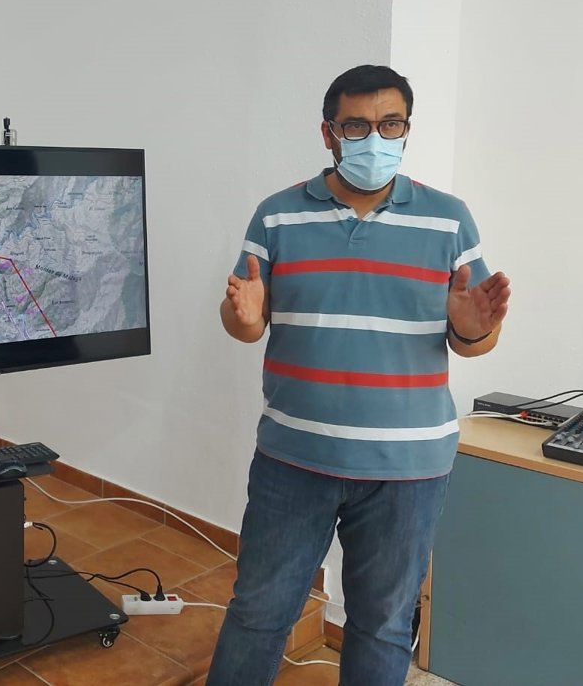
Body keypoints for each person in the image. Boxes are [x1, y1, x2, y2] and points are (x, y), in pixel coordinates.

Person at [207, 65, 510, 686]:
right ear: (329, 133)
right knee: (259, 613)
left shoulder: (450, 220)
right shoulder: (277, 216)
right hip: (294, 459)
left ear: (407, 129)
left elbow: (475, 340)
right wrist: (243, 317)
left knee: (383, 624)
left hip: (408, 470)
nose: (376, 138)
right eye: (357, 126)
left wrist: (473, 328)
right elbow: (245, 320)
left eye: (390, 124)